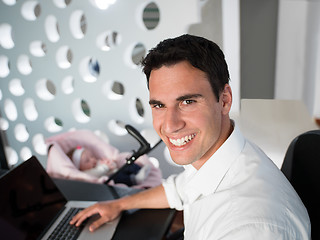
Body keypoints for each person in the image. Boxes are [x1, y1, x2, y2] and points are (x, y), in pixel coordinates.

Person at [70, 34, 310, 239]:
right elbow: (180, 189)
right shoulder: (222, 158)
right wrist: (119, 204)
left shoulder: (248, 228)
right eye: (159, 105)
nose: (171, 125)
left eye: (187, 102)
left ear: (224, 100)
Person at [67, 146, 151, 186]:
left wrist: (110, 163)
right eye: (87, 161)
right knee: (118, 177)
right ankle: (135, 179)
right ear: (80, 167)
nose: (92, 160)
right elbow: (96, 173)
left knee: (128, 164)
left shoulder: (98, 162)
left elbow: (113, 166)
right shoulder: (86, 173)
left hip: (116, 170)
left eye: (92, 156)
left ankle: (140, 170)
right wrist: (106, 167)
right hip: (112, 177)